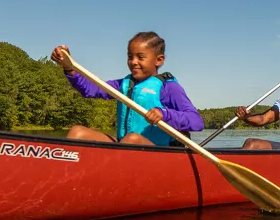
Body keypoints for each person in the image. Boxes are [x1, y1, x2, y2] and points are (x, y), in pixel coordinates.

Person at [50, 31, 203, 146]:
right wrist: (69, 69)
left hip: (157, 152)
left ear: (159, 60)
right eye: (130, 57)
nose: (133, 62)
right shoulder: (122, 85)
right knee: (77, 132)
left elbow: (196, 122)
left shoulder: (169, 87)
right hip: (125, 146)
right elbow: (89, 89)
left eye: (140, 57)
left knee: (132, 139)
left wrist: (165, 114)